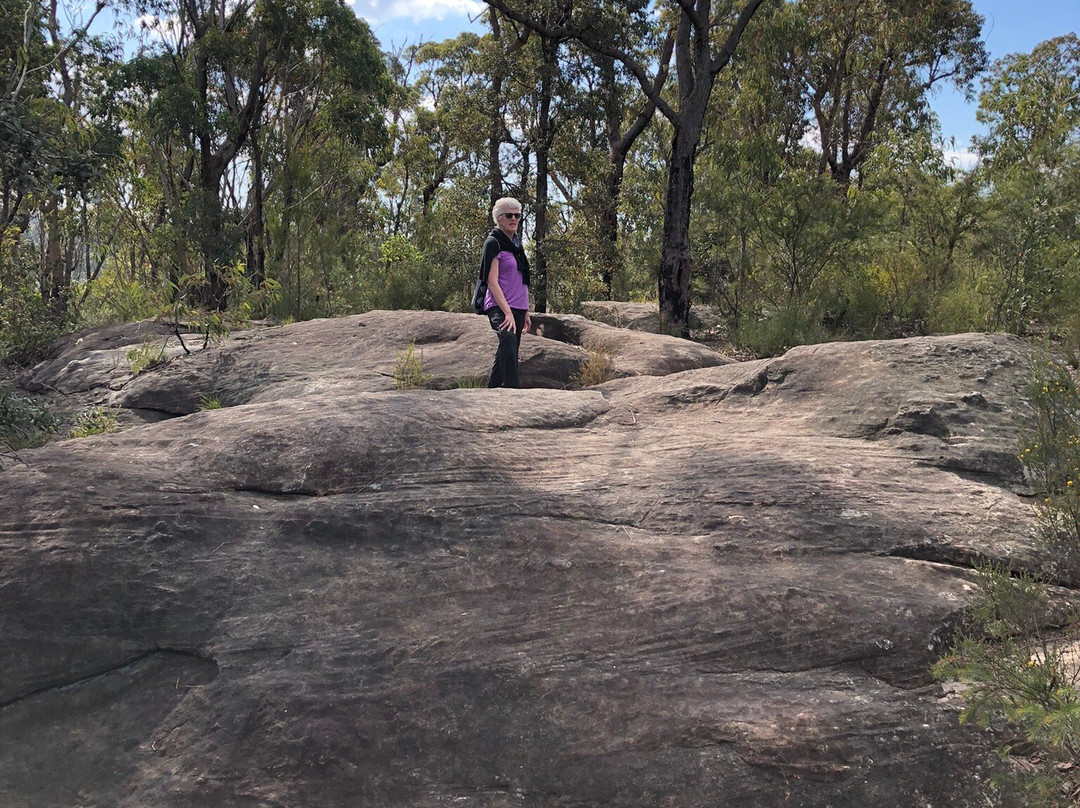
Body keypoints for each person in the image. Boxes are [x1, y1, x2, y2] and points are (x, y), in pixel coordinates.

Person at [480, 197, 531, 388]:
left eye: (517, 216)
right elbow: (491, 281)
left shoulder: (517, 246)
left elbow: (522, 280)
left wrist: (526, 310)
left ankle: (492, 390)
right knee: (508, 340)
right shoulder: (493, 243)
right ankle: (512, 390)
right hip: (499, 306)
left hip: (518, 306)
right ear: (499, 218)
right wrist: (507, 312)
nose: (514, 219)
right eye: (509, 215)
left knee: (508, 349)